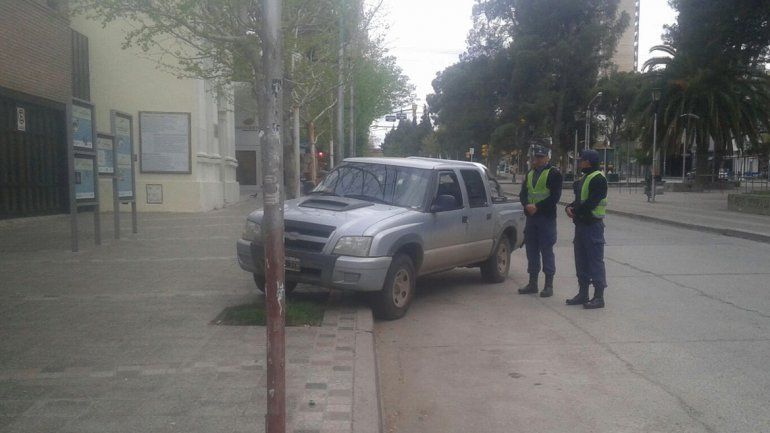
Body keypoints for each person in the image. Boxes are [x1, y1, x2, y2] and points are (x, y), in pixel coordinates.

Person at [517, 142, 563, 297]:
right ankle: (532, 283)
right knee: (531, 250)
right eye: (535, 157)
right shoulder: (530, 174)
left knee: (546, 250)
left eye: (540, 157)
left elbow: (554, 197)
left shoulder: (554, 174)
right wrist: (527, 205)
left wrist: (537, 207)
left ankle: (548, 285)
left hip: (546, 217)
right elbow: (523, 193)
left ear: (546, 159)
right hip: (532, 218)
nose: (536, 160)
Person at [565, 149, 608, 309]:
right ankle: (583, 293)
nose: (579, 162)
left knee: (595, 261)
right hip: (581, 225)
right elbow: (579, 200)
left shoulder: (598, 179)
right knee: (581, 260)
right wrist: (569, 207)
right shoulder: (585, 178)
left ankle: (599, 297)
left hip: (593, 225)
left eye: (581, 160)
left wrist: (575, 211)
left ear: (588, 162)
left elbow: (592, 202)